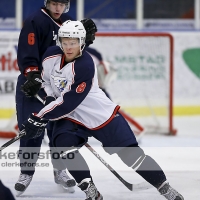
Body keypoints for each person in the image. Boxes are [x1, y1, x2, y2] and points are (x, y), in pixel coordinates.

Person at [21, 20, 184, 200]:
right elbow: (46, 83)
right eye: (65, 42)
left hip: (98, 114)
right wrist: (49, 98)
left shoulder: (85, 64)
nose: (68, 47)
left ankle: (164, 187)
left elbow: (69, 101)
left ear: (82, 43)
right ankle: (91, 191)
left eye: (73, 43)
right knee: (64, 146)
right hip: (70, 117)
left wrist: (39, 116)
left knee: (131, 154)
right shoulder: (50, 56)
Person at [15, 0, 97, 197]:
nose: (58, 8)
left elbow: (74, 51)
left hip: (58, 85)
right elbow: (28, 51)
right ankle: (26, 172)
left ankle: (59, 170)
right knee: (31, 129)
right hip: (33, 85)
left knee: (59, 131)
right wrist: (32, 73)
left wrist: (86, 40)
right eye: (54, 3)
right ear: (47, 3)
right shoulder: (35, 20)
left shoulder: (69, 21)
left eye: (62, 4)